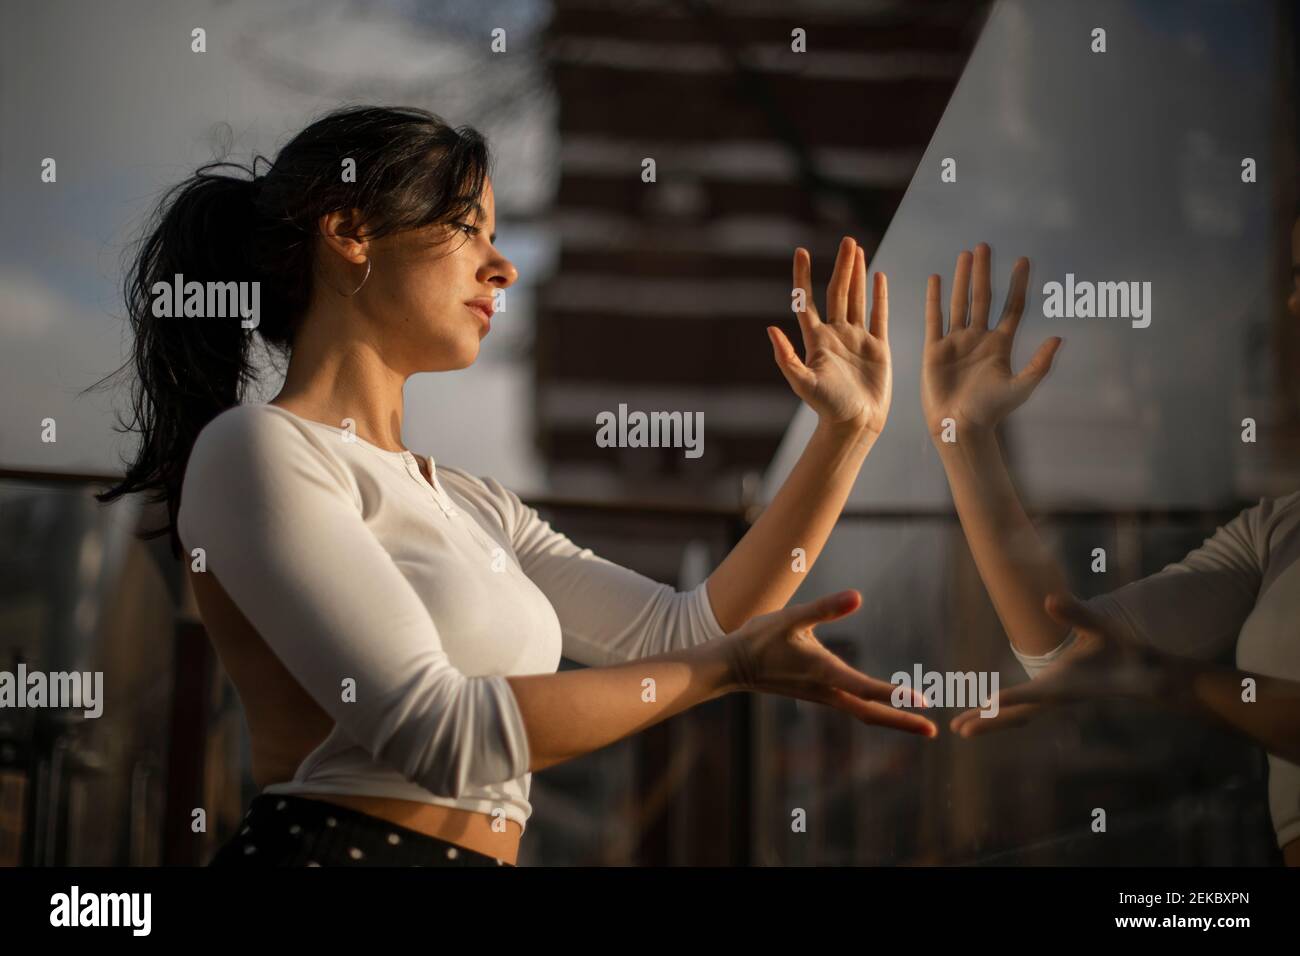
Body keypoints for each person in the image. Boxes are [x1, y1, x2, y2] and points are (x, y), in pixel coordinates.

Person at [93, 105, 935, 867]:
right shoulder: (256, 449)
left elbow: (683, 630)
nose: (504, 268)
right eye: (466, 227)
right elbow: (441, 730)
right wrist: (727, 670)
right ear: (349, 231)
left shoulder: (475, 504)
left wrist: (846, 436)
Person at [920, 240, 1300, 865]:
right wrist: (965, 439)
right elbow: (1072, 653)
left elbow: (1128, 669)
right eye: (1294, 274)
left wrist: (1168, 681)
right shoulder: (1278, 531)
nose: (1291, 300)